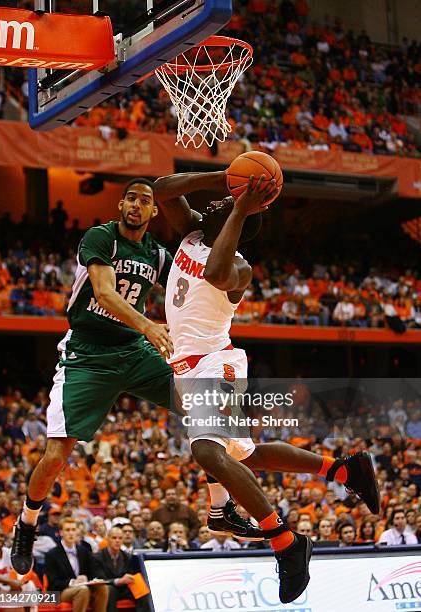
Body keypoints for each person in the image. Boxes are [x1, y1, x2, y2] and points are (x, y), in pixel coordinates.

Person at [154, 169, 381, 604]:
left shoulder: (239, 266)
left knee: (206, 451)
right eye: (222, 200)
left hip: (214, 363)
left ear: (236, 220)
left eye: (225, 203)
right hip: (186, 364)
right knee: (245, 455)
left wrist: (240, 206)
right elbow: (162, 188)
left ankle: (286, 542)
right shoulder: (193, 232)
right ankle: (343, 469)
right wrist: (224, 175)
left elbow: (218, 273)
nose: (218, 200)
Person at [11, 179, 176, 575]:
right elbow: (103, 293)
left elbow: (187, 294)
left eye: (146, 200)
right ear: (121, 204)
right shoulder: (102, 237)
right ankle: (27, 523)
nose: (137, 204)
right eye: (132, 198)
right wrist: (150, 327)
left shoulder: (158, 254)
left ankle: (223, 503)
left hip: (134, 352)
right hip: (87, 354)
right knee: (56, 456)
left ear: (155, 212)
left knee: (201, 405)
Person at [44, 518, 108, 612]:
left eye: (73, 530)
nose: (71, 533)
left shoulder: (83, 550)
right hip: (59, 592)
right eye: (67, 530)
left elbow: (95, 570)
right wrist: (72, 582)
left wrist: (89, 579)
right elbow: (53, 583)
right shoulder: (52, 554)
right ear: (61, 532)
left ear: (77, 532)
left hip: (82, 587)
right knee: (82, 590)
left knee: (102, 588)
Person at [93, 526, 149, 612]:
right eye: (114, 538)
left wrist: (130, 579)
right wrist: (118, 581)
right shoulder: (98, 557)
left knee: (140, 585)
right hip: (108, 588)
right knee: (110, 590)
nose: (117, 541)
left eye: (120, 538)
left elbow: (130, 575)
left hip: (123, 588)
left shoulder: (127, 556)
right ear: (108, 539)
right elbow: (99, 579)